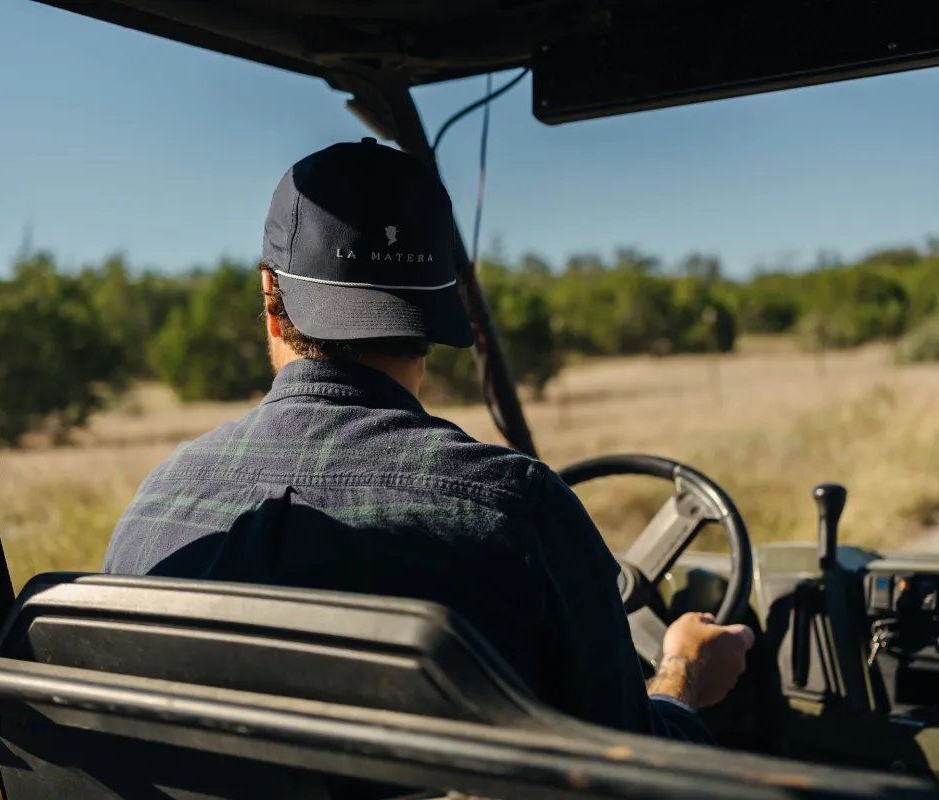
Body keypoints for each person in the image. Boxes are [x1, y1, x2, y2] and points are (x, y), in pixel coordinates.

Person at [103, 137, 754, 744]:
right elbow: (627, 763)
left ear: (271, 295)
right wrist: (683, 676)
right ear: (443, 303)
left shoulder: (156, 504)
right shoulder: (518, 511)